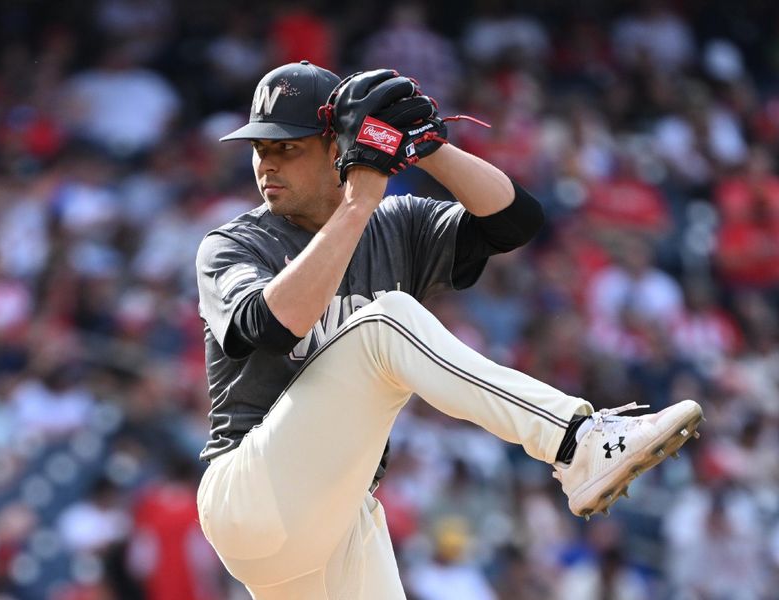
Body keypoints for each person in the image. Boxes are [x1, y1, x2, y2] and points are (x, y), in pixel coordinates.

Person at [194, 61, 703, 600]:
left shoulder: (394, 224)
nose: (266, 164)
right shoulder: (232, 244)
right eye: (260, 148)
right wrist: (358, 201)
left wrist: (430, 145)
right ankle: (577, 442)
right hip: (250, 494)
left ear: (336, 147)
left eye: (288, 147)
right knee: (385, 320)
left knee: (383, 325)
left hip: (336, 522)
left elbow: (514, 221)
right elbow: (272, 326)